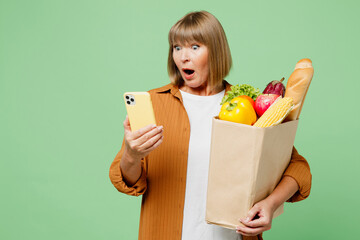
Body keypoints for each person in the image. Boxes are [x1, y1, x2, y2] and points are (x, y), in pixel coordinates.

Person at [109, 11, 311, 240]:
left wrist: (270, 205)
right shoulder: (155, 103)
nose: (183, 57)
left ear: (216, 51)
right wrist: (132, 154)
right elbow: (127, 180)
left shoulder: (247, 105)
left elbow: (298, 169)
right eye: (177, 47)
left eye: (194, 47)